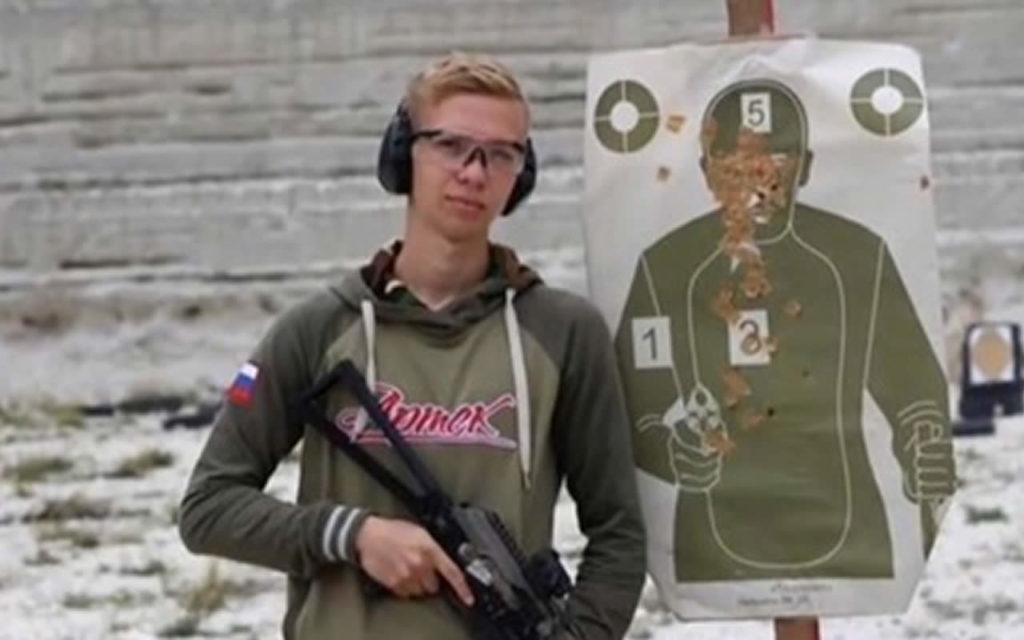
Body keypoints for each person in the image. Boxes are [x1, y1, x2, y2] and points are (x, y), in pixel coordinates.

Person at [179, 53, 646, 640]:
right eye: (451, 145)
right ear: (404, 154)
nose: (474, 173)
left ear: (520, 178)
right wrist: (354, 536)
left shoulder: (562, 333)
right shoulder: (319, 329)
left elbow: (620, 532)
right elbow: (208, 509)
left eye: (501, 154)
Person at [614, 78, 954, 583]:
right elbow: (632, 406)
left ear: (807, 166)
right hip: (710, 543)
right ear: (708, 172)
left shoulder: (858, 256)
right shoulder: (666, 268)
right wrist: (670, 451)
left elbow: (914, 391)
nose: (759, 178)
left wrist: (924, 445)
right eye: (736, 161)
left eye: (778, 159)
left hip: (849, 530)